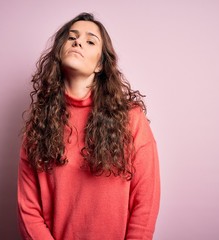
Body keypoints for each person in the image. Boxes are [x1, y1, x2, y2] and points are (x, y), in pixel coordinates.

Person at [18, 12, 160, 240]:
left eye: (90, 40)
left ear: (100, 65)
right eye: (72, 37)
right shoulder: (39, 123)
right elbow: (28, 208)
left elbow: (145, 200)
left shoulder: (131, 118)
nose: (78, 41)